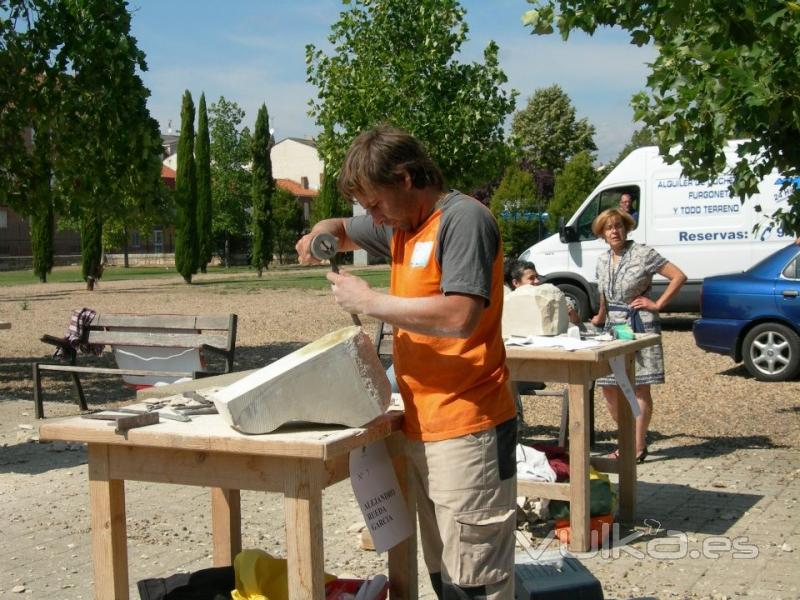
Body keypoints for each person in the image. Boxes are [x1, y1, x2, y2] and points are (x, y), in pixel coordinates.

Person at [295, 125, 517, 599]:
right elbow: (338, 226)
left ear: (405, 177)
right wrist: (319, 234)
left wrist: (370, 300)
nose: (372, 217)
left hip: (468, 426)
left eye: (375, 204)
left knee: (477, 583)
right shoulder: (401, 224)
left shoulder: (463, 221)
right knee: (445, 577)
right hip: (421, 423)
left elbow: (460, 316)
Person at [590, 208, 686, 463]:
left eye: (618, 226)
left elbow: (678, 276)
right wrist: (600, 317)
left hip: (639, 325)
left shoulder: (644, 253)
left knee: (640, 386)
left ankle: (637, 445)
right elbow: (603, 294)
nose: (614, 231)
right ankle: (628, 436)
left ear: (626, 228)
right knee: (609, 387)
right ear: (602, 233)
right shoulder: (601, 260)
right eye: (608, 227)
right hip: (612, 329)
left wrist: (657, 304)